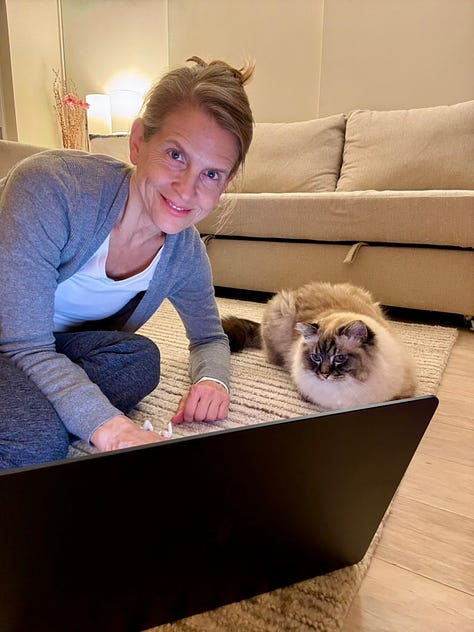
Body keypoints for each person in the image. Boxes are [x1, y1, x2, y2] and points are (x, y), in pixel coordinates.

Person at [0, 57, 254, 470]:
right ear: (138, 142)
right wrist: (110, 428)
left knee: (138, 361)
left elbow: (209, 336)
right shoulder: (52, 188)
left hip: (38, 345)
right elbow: (24, 343)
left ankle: (38, 408)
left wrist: (213, 379)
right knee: (36, 441)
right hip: (14, 336)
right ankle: (36, 419)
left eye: (211, 175)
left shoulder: (185, 253)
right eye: (175, 155)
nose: (187, 189)